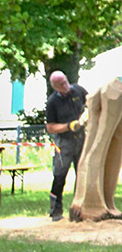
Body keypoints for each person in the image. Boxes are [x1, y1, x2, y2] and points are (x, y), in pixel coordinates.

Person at [46, 70, 88, 221]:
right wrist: (69, 126)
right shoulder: (52, 102)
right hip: (64, 142)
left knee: (83, 173)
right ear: (56, 87)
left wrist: (86, 115)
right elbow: (50, 127)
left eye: (66, 80)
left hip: (81, 139)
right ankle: (56, 209)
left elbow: (90, 101)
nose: (66, 85)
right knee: (60, 175)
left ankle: (80, 208)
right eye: (62, 84)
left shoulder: (77, 90)